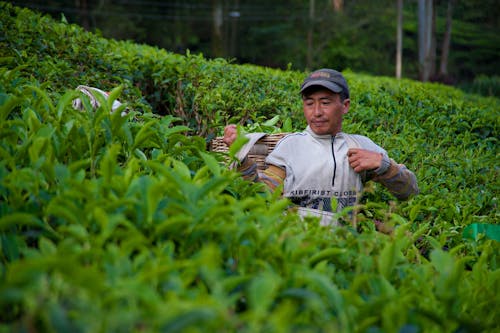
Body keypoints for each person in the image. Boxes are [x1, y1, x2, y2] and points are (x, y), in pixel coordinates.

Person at [223, 68, 419, 226]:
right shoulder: (291, 146)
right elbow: (263, 195)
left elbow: (409, 192)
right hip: (295, 242)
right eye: (309, 104)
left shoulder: (361, 146)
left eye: (325, 103)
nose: (316, 112)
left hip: (345, 247)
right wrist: (241, 157)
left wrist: (384, 166)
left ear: (345, 106)